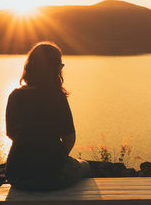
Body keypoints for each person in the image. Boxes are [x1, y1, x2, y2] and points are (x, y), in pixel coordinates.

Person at [5, 41, 90, 191]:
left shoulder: (15, 95)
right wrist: (56, 159)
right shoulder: (55, 96)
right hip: (49, 176)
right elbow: (69, 138)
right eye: (60, 65)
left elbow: (11, 134)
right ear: (55, 68)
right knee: (84, 166)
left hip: (16, 175)